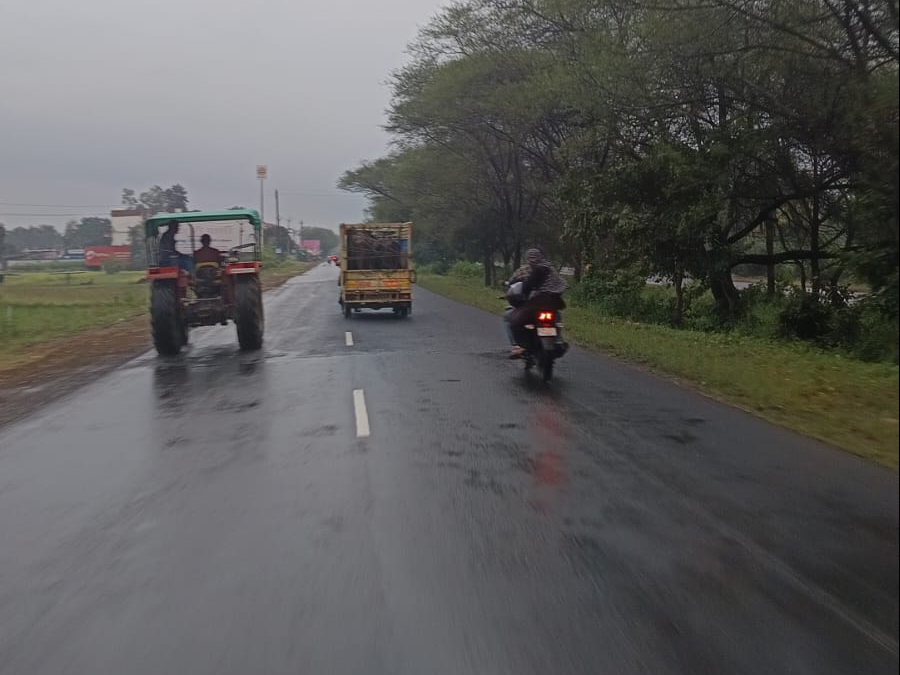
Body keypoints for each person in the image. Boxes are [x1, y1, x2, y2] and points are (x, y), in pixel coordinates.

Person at [507, 248, 567, 358]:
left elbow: (527, 286)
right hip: (553, 305)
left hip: (537, 304)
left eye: (534, 258)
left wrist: (522, 293)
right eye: (531, 258)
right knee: (557, 319)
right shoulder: (550, 269)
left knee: (514, 321)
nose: (532, 261)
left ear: (539, 259)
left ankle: (520, 346)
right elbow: (561, 285)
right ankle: (558, 340)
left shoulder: (538, 270)